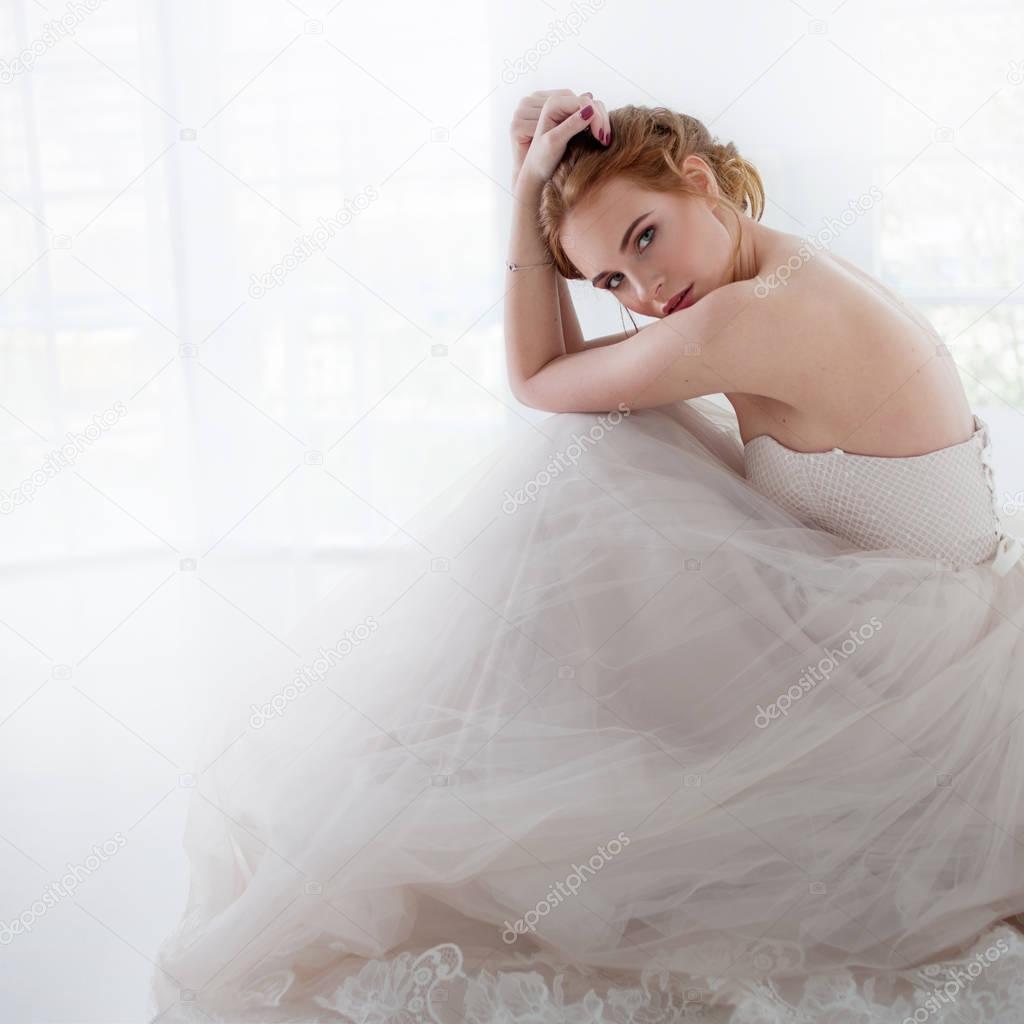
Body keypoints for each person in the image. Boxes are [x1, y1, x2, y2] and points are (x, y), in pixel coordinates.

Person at [149, 91, 1024, 1023]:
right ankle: (486, 767)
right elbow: (572, 384)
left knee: (586, 462)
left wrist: (528, 186)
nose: (644, 295)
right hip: (894, 607)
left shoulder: (746, 318)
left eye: (645, 239)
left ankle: (466, 771)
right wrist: (537, 195)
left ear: (698, 181)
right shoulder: (760, 267)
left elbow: (537, 380)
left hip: (911, 670)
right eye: (607, 281)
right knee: (601, 448)